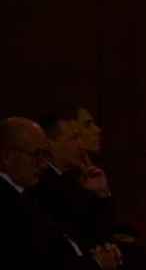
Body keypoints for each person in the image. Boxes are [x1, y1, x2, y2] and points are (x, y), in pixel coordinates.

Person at [0, 116, 121, 269]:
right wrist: (97, 263)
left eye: (44, 155)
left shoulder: (26, 192)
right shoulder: (11, 202)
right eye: (36, 155)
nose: (43, 164)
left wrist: (101, 194)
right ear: (7, 157)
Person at [33, 107, 115, 253]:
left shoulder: (69, 179)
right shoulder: (41, 184)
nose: (81, 145)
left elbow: (103, 232)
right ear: (50, 144)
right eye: (74, 138)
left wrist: (101, 194)